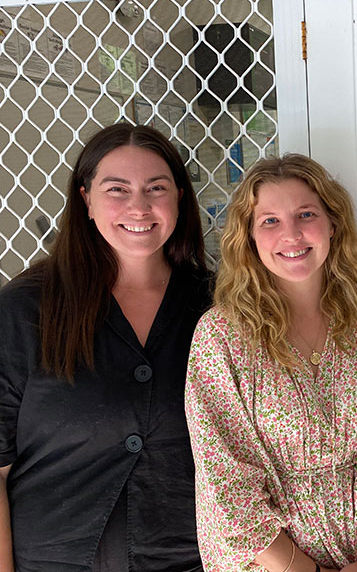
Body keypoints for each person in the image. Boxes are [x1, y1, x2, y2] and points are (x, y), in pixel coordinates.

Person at [185, 154, 357, 572]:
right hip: (270, 561)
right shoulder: (222, 335)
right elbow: (221, 475)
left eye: (306, 214)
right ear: (249, 237)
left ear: (332, 225)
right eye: (270, 221)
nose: (291, 234)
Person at [0, 123, 212, 571]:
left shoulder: (218, 308)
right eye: (117, 188)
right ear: (86, 200)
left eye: (156, 187)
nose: (139, 206)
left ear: (178, 198)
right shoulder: (25, 309)